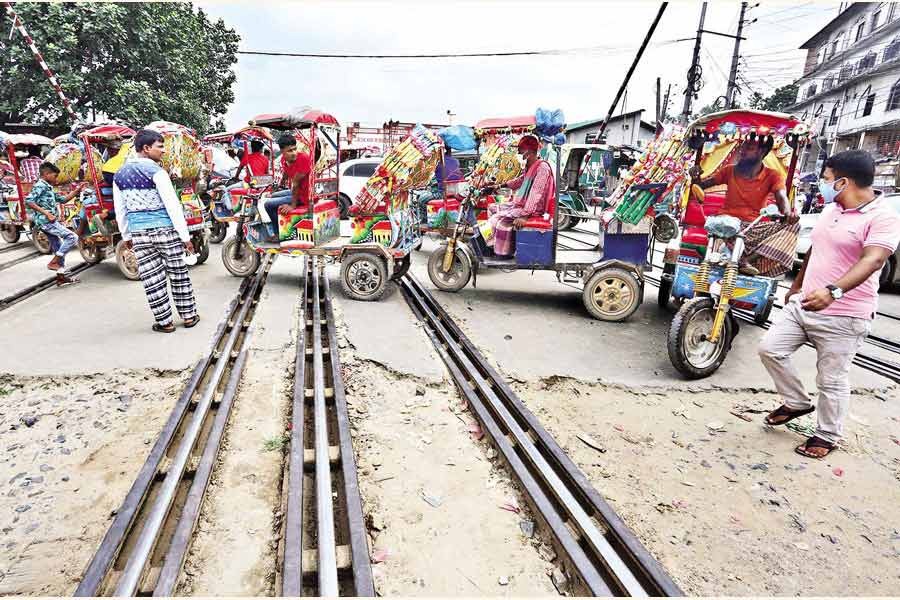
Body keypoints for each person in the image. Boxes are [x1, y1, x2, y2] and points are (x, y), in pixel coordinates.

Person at [758, 150, 900, 459]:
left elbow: (874, 259)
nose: (823, 185)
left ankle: (826, 435)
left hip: (845, 315)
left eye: (826, 179)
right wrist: (796, 285)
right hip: (805, 304)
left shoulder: (883, 216)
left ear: (844, 182)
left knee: (832, 378)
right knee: (770, 349)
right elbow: (815, 249)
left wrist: (833, 292)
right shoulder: (831, 208)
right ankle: (796, 402)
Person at [113, 129, 200, 333]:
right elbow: (172, 206)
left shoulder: (120, 174)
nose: (164, 151)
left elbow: (121, 209)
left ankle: (164, 322)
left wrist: (126, 235)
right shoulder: (157, 172)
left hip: (139, 233)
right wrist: (185, 237)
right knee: (178, 273)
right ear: (146, 148)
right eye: (160, 146)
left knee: (152, 278)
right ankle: (188, 317)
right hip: (165, 231)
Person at [692, 137, 800, 276]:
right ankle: (739, 261)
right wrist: (695, 177)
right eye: (743, 147)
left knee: (793, 226)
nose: (742, 151)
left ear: (762, 152)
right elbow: (700, 186)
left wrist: (788, 214)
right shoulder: (729, 171)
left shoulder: (773, 176)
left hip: (753, 227)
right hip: (727, 223)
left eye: (749, 148)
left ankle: (744, 261)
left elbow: (781, 196)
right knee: (723, 228)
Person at [483, 135, 555, 257]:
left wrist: (525, 216)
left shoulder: (542, 168)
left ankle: (504, 251)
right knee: (492, 208)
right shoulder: (530, 166)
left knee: (495, 220)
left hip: (532, 209)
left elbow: (536, 194)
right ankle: (502, 241)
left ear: (528, 152)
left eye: (520, 150)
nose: (518, 153)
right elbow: (520, 181)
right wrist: (499, 186)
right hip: (522, 204)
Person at [24, 162, 83, 285]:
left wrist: (77, 190)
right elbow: (29, 201)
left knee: (58, 246)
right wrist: (46, 213)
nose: (56, 179)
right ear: (46, 174)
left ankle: (61, 277)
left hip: (48, 220)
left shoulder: (48, 186)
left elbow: (63, 199)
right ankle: (54, 262)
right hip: (46, 221)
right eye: (55, 176)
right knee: (72, 237)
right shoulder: (40, 185)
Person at [262, 134, 313, 242]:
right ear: (282, 151)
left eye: (295, 149)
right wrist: (278, 186)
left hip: (304, 196)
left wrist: (292, 205)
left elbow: (296, 183)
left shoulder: (303, 158)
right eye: (290, 151)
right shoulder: (283, 160)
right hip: (296, 192)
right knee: (273, 195)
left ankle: (279, 233)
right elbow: (286, 172)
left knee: (268, 205)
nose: (294, 153)